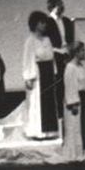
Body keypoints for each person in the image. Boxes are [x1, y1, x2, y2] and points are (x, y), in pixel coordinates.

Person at [22, 11, 61, 139]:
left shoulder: (47, 40)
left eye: (45, 22)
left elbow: (51, 57)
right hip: (38, 74)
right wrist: (28, 77)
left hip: (48, 72)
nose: (44, 25)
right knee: (37, 103)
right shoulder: (30, 41)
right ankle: (37, 132)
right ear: (35, 24)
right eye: (41, 22)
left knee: (49, 102)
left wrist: (54, 72)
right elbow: (28, 59)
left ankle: (50, 131)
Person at [62, 41, 85, 161]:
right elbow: (69, 86)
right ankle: (75, 153)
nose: (84, 53)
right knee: (74, 126)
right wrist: (73, 103)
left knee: (83, 125)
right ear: (76, 52)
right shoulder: (70, 67)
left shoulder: (80, 66)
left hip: (82, 96)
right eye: (82, 50)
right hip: (74, 99)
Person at [45, 0, 74, 108]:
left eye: (62, 3)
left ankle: (69, 106)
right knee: (58, 83)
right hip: (55, 53)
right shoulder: (47, 22)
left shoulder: (66, 21)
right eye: (59, 4)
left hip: (67, 53)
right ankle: (59, 111)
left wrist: (70, 52)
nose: (62, 6)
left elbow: (70, 38)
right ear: (52, 7)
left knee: (69, 81)